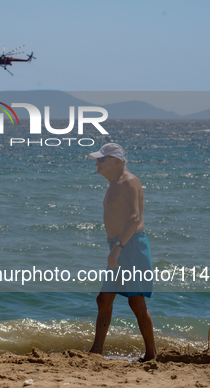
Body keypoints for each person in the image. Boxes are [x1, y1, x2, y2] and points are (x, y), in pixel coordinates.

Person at [87, 143, 156, 362]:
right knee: (103, 299)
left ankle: (151, 355)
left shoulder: (129, 182)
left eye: (101, 159)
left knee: (136, 302)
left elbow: (135, 218)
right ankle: (96, 352)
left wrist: (117, 248)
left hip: (130, 246)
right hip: (119, 246)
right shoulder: (114, 183)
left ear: (117, 161)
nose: (97, 162)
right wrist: (115, 248)